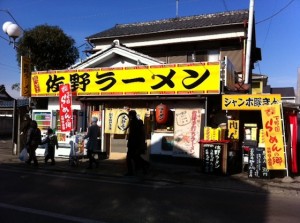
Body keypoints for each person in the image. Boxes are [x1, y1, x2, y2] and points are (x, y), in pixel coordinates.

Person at [125, 110, 150, 176]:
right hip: (137, 143)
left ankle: (131, 172)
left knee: (129, 158)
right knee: (136, 157)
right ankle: (144, 167)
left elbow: (133, 134)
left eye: (129, 115)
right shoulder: (138, 122)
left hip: (133, 143)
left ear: (131, 115)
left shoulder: (133, 122)